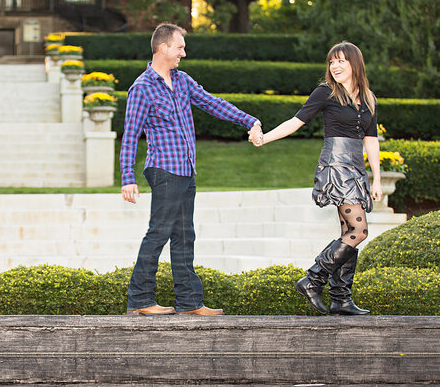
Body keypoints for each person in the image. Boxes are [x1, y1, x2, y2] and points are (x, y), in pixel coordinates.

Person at [121, 23, 264, 316]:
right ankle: (140, 299)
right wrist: (127, 177)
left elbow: (213, 104)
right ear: (163, 48)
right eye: (179, 47)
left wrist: (249, 120)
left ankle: (189, 302)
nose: (183, 53)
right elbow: (130, 134)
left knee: (185, 235)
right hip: (164, 170)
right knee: (159, 233)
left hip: (185, 170)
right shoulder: (142, 88)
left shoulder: (182, 81)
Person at [251, 42, 382, 315]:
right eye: (332, 62)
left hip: (357, 169)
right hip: (336, 167)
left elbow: (371, 140)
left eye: (341, 61)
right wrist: (265, 138)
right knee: (360, 232)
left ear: (355, 64)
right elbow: (296, 121)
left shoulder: (368, 98)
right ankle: (313, 279)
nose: (335, 66)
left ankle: (341, 299)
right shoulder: (325, 92)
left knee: (348, 233)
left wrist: (377, 179)